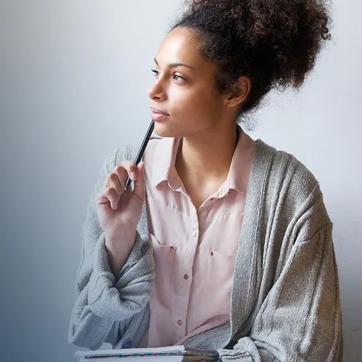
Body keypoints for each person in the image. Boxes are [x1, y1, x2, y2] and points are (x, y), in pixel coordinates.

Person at [67, 1, 342, 360]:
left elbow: (305, 347)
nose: (155, 90)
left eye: (178, 77)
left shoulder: (290, 193)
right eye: (156, 72)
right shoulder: (124, 172)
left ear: (234, 92)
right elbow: (90, 331)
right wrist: (118, 244)